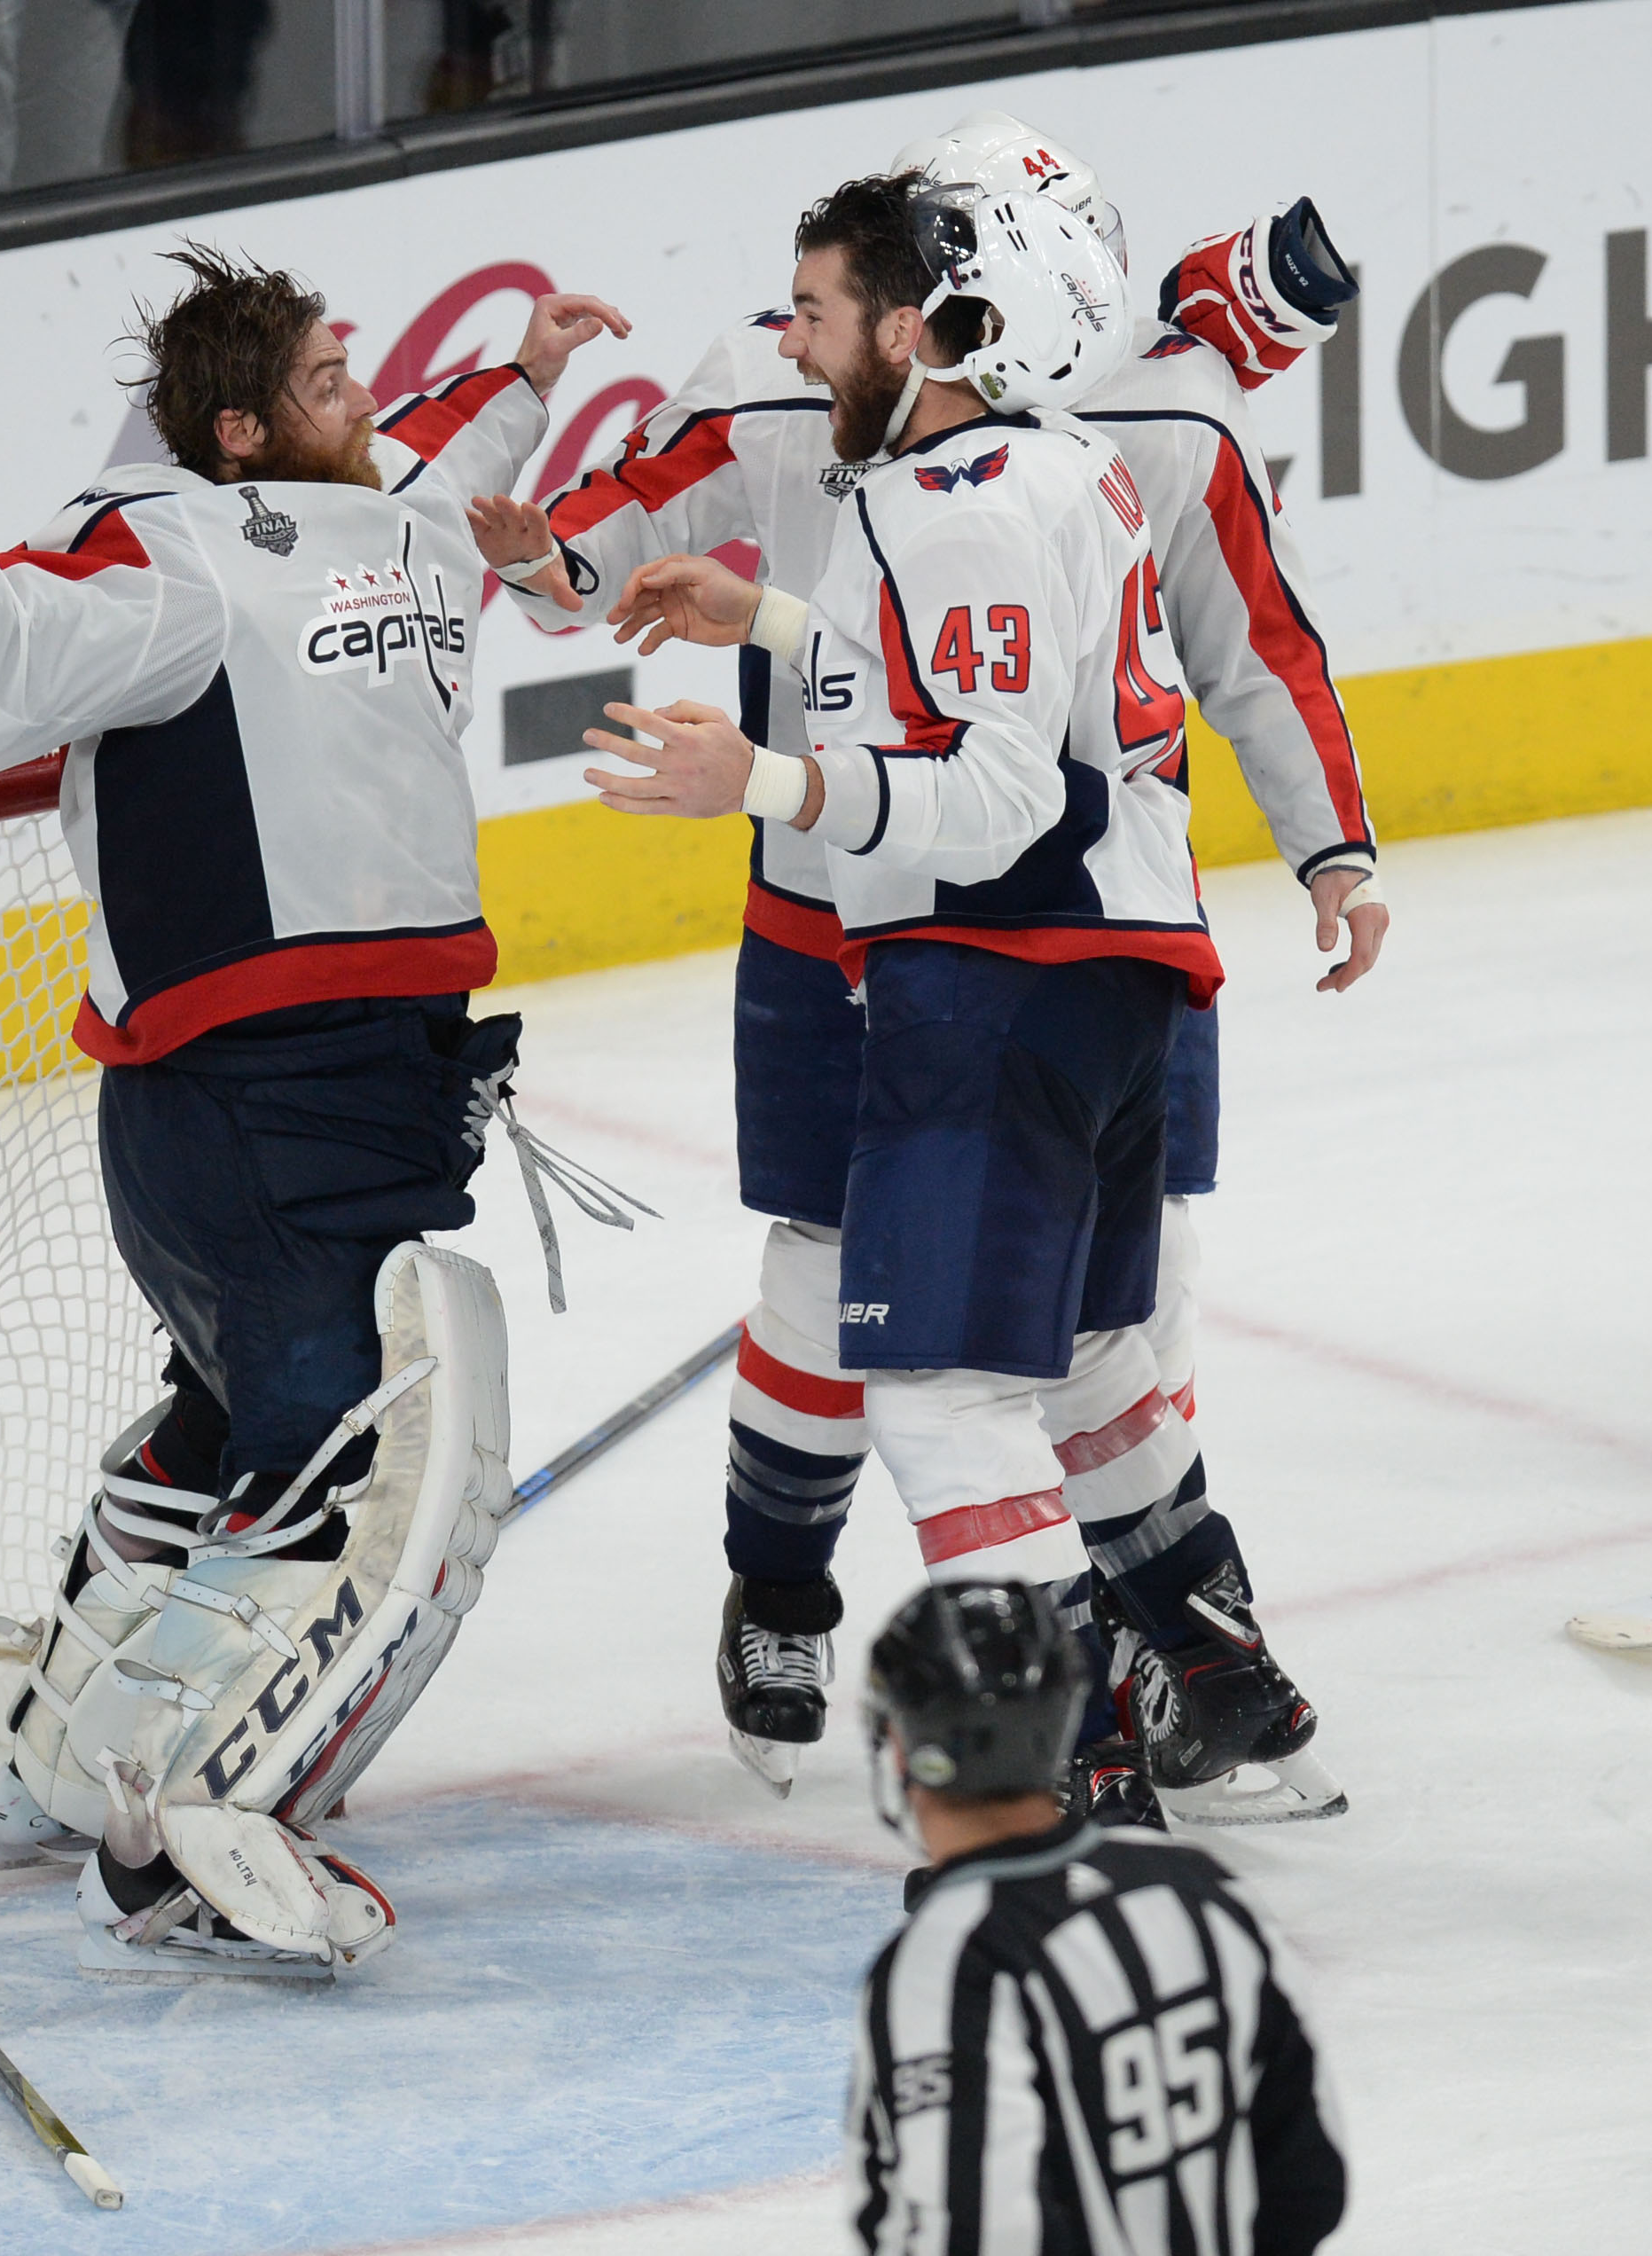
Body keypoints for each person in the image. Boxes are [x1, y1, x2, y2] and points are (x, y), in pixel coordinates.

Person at [475, 116, 1377, 1824]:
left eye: (846, 292)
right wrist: (749, 619)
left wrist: (745, 774)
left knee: (943, 1382)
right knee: (1089, 1336)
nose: (805, 321)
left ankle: (1074, 1761)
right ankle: (1192, 1664)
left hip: (977, 951)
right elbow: (970, 665)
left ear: (933, 309)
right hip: (1110, 948)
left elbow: (986, 777)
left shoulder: (971, 475)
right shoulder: (1052, 460)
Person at [0, 250, 626, 1975]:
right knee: (336, 1454)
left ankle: (57, 1779)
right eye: (321, 384)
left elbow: (445, 470)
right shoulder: (162, 557)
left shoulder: (382, 523)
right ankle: (166, 1840)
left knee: (231, 1430)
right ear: (232, 431)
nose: (359, 402)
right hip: (242, 1097)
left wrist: (525, 372)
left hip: (361, 1085)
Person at [851, 1580, 1348, 2255]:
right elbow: (1309, 2178)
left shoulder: (948, 1965)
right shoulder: (1199, 1892)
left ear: (906, 1751)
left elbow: (974, 2233)